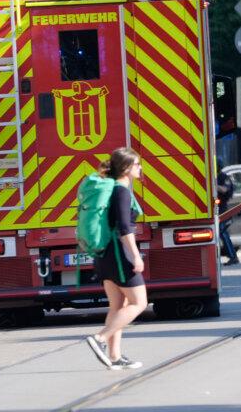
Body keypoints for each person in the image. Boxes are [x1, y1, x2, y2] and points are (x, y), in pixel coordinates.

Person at [85, 147, 148, 370]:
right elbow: (124, 227)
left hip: (105, 254)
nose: (141, 168)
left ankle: (114, 356)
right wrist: (135, 256)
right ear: (127, 168)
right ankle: (100, 339)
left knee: (117, 306)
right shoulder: (121, 190)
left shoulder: (111, 188)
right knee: (139, 302)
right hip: (119, 254)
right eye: (138, 165)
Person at [216, 165, 238, 265]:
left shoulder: (223, 177)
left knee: (223, 232)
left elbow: (225, 189)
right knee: (222, 233)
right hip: (218, 208)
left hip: (222, 209)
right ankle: (231, 255)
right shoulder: (217, 176)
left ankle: (233, 256)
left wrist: (212, 185)